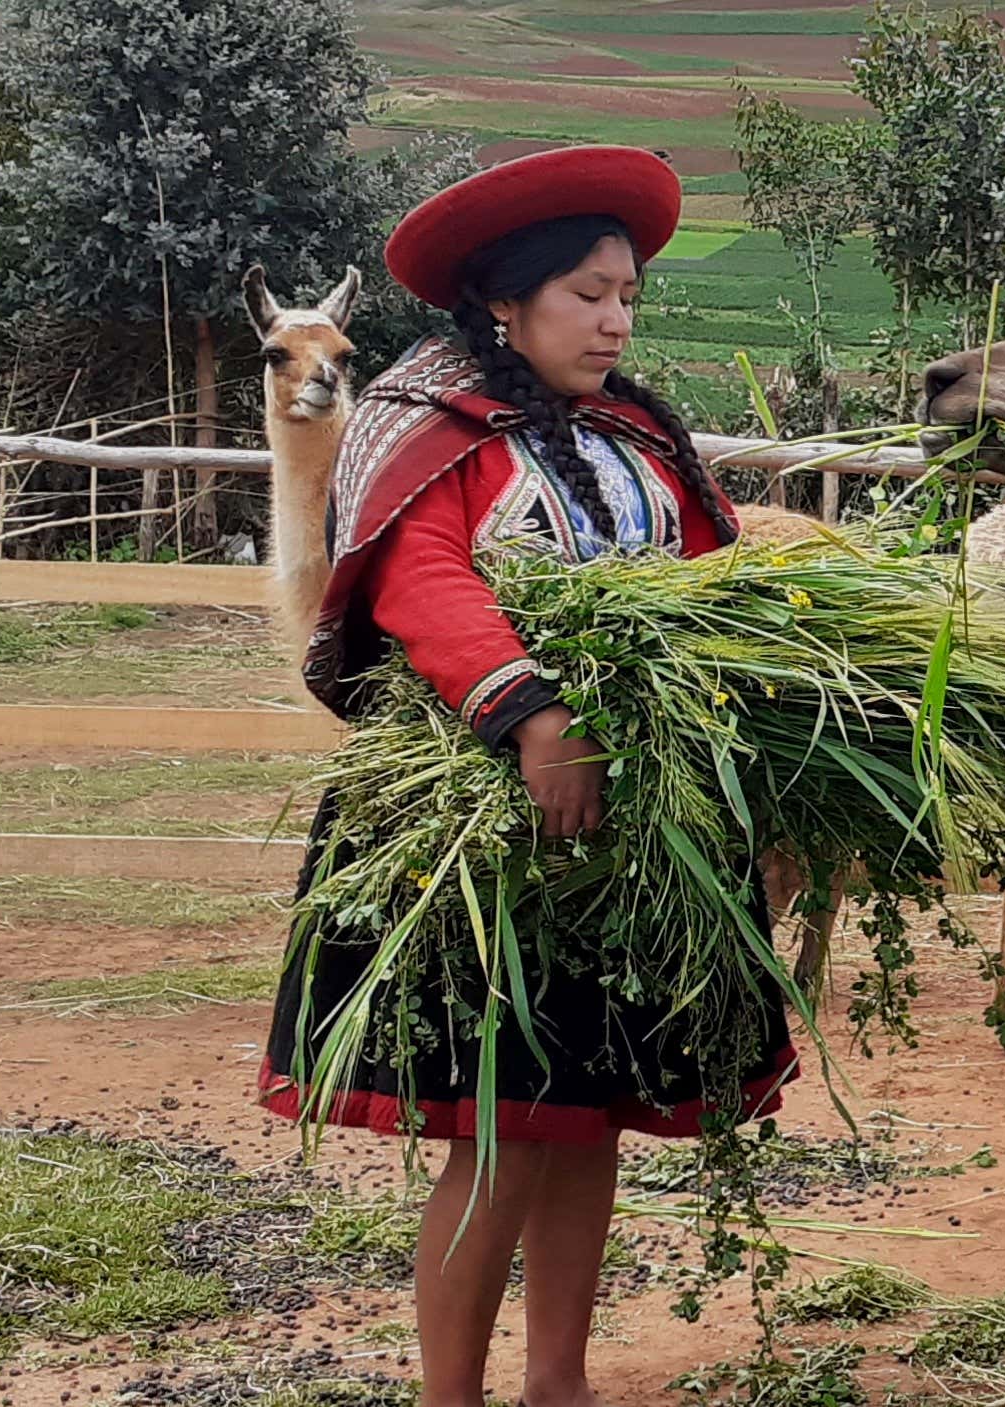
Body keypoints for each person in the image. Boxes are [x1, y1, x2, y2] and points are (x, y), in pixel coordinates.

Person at [256, 145, 785, 1407]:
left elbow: (714, 578)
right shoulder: (427, 418)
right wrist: (533, 714)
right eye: (589, 295)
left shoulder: (640, 431)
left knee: (589, 1121)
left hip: (633, 827)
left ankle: (561, 1383)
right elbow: (419, 577)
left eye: (628, 298)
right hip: (485, 824)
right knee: (495, 1131)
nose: (614, 322)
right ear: (509, 300)